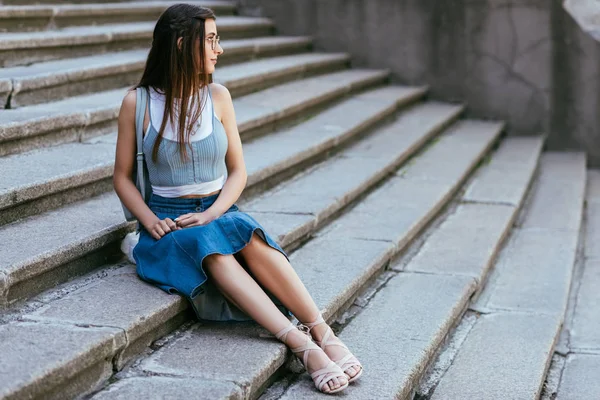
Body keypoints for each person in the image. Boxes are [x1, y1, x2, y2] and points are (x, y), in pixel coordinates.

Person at [112, 3, 362, 394]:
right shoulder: (138, 102)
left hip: (217, 208)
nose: (219, 49)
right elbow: (122, 177)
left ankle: (323, 332)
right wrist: (148, 220)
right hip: (170, 225)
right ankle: (302, 346)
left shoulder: (218, 96)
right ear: (181, 44)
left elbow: (238, 172)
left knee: (251, 235)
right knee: (210, 246)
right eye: (210, 40)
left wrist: (212, 210)